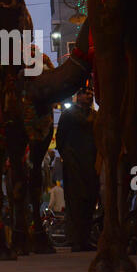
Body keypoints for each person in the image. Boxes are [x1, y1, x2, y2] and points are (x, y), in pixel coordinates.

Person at [56, 87, 99, 252]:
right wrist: (68, 157)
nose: (89, 96)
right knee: (76, 200)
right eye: (86, 94)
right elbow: (60, 138)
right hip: (74, 163)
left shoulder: (94, 116)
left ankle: (85, 238)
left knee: (89, 199)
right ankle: (76, 239)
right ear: (78, 96)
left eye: (91, 94)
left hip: (91, 163)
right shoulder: (69, 115)